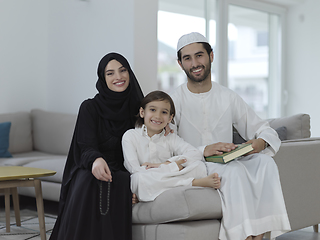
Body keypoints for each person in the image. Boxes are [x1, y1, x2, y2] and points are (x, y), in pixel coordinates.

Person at [170, 32, 291, 240]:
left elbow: (263, 128)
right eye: (187, 58)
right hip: (195, 164)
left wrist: (259, 143)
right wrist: (203, 150)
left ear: (211, 56)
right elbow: (167, 145)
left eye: (199, 55)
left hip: (227, 160)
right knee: (233, 172)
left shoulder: (228, 96)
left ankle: (260, 234)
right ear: (180, 64)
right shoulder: (172, 100)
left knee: (265, 164)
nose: (194, 63)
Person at [49, 52, 144, 240]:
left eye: (122, 70)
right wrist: (96, 160)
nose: (118, 77)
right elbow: (85, 145)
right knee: (89, 179)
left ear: (129, 73)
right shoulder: (90, 107)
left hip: (124, 171)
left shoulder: (139, 108)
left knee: (121, 180)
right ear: (103, 78)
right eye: (110, 73)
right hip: (92, 166)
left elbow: (149, 140)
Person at [121, 90, 220, 202]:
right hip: (147, 178)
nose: (158, 116)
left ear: (169, 118)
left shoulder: (170, 137)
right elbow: (135, 170)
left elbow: (195, 154)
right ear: (142, 112)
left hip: (166, 177)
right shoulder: (130, 136)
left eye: (164, 112)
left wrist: (164, 164)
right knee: (138, 179)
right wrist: (174, 167)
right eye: (152, 110)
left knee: (199, 166)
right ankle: (192, 183)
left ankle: (152, 192)